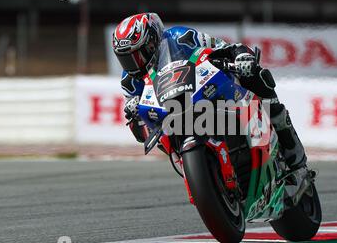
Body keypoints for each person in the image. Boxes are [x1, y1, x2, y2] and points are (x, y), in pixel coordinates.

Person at [112, 12, 308, 178]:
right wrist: (132, 112)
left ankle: (285, 137)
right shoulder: (129, 80)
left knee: (256, 74)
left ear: (153, 40)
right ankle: (207, 173)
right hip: (173, 116)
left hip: (203, 90)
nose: (133, 63)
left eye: (138, 54)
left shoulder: (181, 36)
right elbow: (139, 131)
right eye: (126, 59)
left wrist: (241, 57)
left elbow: (224, 48)